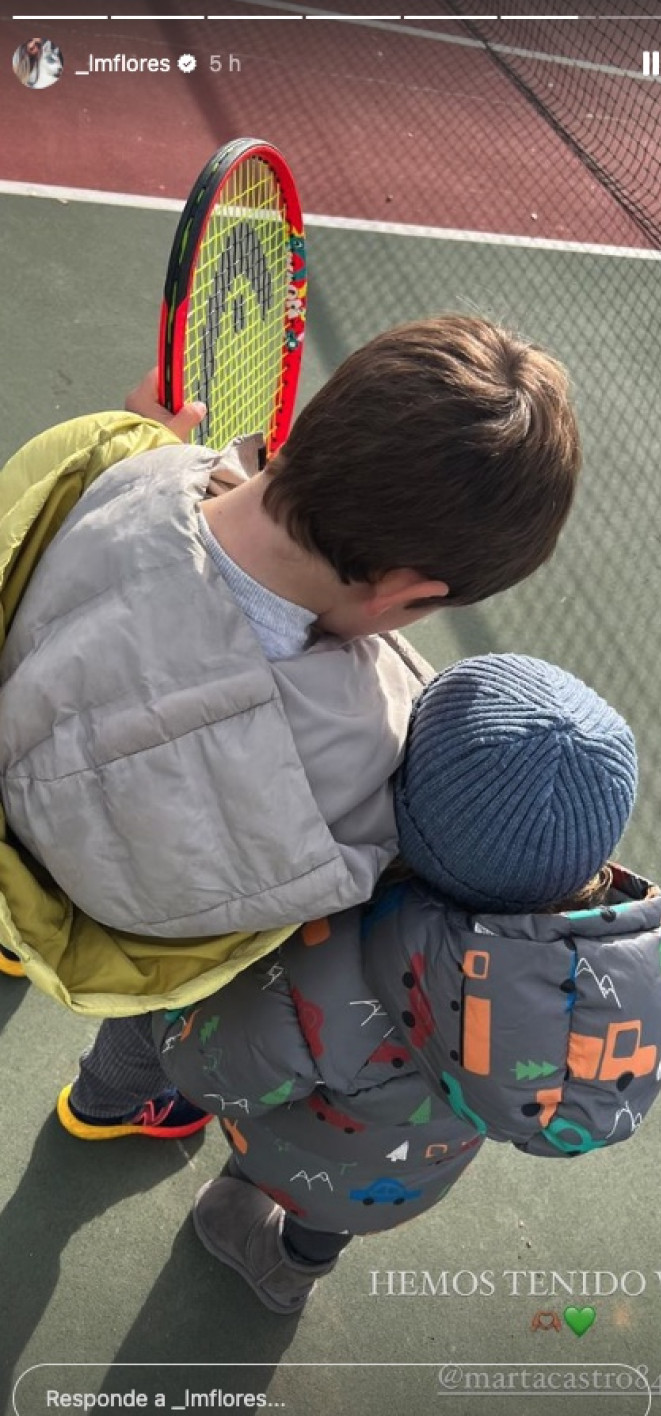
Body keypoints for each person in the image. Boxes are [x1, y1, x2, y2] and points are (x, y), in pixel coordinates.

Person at [0, 315, 580, 1131]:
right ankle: (108, 1104)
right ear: (406, 596)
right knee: (219, 973)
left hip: (18, 817)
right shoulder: (367, 746)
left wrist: (150, 440)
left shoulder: (124, 474)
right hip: (118, 921)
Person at [150, 654, 661, 1316]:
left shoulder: (334, 958)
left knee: (283, 1183)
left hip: (304, 1154)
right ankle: (293, 1270)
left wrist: (171, 1017)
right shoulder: (606, 957)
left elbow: (209, 1067)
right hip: (409, 1170)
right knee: (327, 1221)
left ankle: (254, 1229)